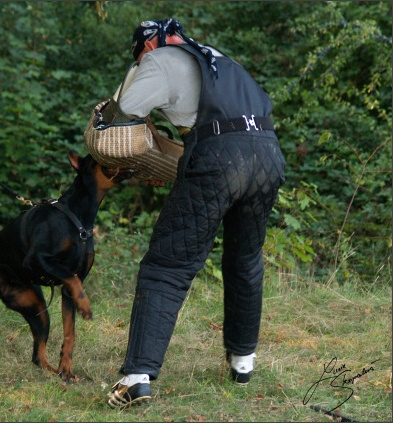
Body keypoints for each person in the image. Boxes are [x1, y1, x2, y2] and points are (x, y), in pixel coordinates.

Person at [106, 18, 286, 408]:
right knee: (245, 259)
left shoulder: (158, 59)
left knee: (167, 266)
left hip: (220, 157)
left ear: (146, 49)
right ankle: (242, 363)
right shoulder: (217, 59)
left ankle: (137, 377)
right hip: (268, 152)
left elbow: (127, 111)